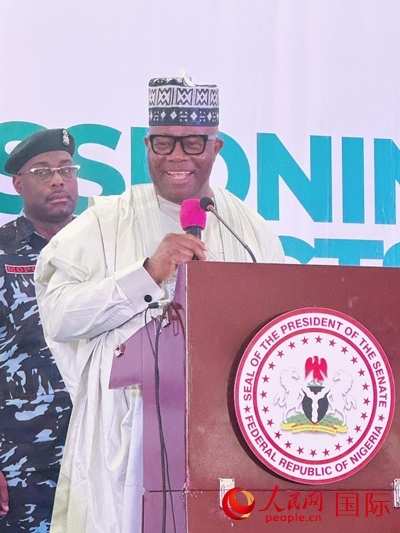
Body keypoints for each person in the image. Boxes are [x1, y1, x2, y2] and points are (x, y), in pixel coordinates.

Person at [34, 74, 285, 533]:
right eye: (163, 143)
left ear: (216, 147)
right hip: (126, 440)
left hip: (225, 438)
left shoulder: (250, 230)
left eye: (193, 143)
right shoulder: (104, 222)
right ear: (147, 146)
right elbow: (60, 316)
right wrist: (147, 274)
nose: (177, 157)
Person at [0, 129, 79, 531]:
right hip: (21, 460)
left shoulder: (104, 248)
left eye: (66, 169)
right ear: (18, 184)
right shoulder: (2, 251)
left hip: (98, 453)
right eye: (43, 172)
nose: (58, 180)